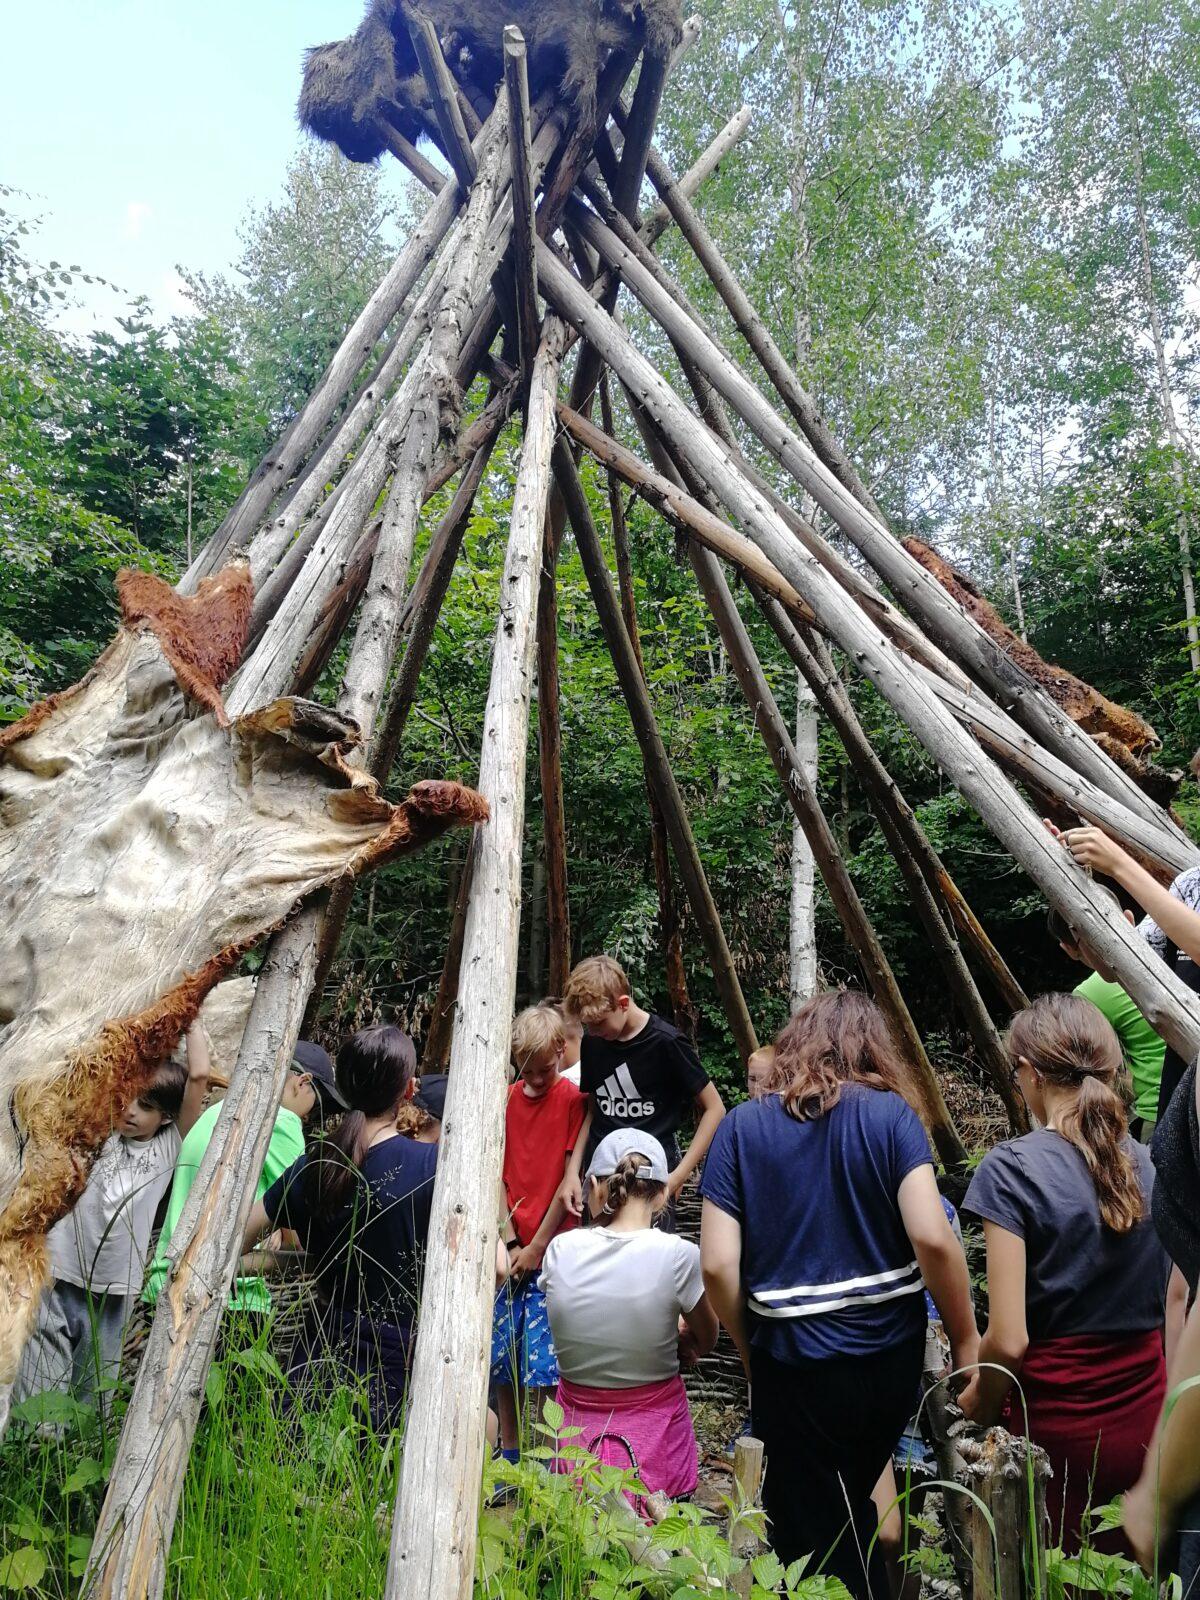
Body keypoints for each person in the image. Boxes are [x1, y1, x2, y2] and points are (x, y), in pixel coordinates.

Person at [699, 992, 978, 1600]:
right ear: (873, 1048)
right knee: (854, 1495)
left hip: (791, 1362)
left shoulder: (741, 1128)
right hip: (887, 1364)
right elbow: (933, 1235)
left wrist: (750, 1350)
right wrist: (966, 1339)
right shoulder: (892, 1116)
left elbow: (717, 1263)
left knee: (808, 1528)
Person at [959, 994, 1170, 1554]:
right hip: (1147, 1427)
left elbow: (1008, 1339)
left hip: (1056, 1443)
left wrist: (980, 1402)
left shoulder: (1011, 1170)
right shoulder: (1152, 1165)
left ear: (1029, 1072)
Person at [240, 1026, 443, 1432]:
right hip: (399, 1372)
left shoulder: (315, 1164)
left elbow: (234, 1242)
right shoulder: (433, 1167)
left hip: (316, 1362)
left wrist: (307, 1262)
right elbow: (496, 1267)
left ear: (346, 1088)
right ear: (408, 1090)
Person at [16, 1034, 208, 1403]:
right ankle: (36, 1438)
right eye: (129, 1096)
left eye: (146, 1106)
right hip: (57, 1274)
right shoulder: (98, 1129)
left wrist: (191, 1016)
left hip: (114, 1292)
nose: (131, 1110)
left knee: (94, 1401)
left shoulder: (170, 1146)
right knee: (39, 1397)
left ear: (166, 1117)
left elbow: (198, 1075)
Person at [539, 1129, 717, 1502]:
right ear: (663, 1194)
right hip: (657, 1442)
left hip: (575, 1439)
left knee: (573, 1531)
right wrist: (676, 1334)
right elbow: (707, 1337)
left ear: (593, 1187)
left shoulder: (560, 1250)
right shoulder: (679, 1255)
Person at [143, 1037, 344, 1322]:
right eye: (316, 1106)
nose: (310, 1118)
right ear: (302, 1082)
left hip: (164, 1282)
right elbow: (299, 1237)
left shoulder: (218, 1111)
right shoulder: (281, 1121)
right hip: (230, 1295)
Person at [1052, 820, 1200, 1123]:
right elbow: (1118, 964)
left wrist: (1120, 865)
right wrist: (1071, 878)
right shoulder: (1189, 885)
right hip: (1180, 1105)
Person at [558, 956, 725, 1224]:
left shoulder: (667, 1043)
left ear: (623, 1004)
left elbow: (715, 1108)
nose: (593, 1031)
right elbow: (593, 1111)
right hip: (602, 1177)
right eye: (588, 1025)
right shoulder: (592, 1043)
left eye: (599, 1023)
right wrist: (572, 1174)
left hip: (651, 1179)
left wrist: (678, 1176)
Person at [493, 1004, 586, 1463]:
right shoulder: (505, 1099)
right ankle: (510, 1451)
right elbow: (494, 1175)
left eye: (544, 1069)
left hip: (554, 1248)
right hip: (509, 1249)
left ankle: (547, 1460)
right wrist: (511, 1240)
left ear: (561, 1050)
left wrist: (535, 1246)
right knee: (502, 1357)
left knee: (545, 1364)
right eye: (526, 1070)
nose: (535, 1079)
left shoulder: (572, 1100)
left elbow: (567, 1181)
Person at [1047, 890, 1165, 1141]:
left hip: (1159, 1110)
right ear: (1128, 918)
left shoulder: (1090, 994)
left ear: (1068, 949)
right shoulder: (1179, 947)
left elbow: (1100, 1070)